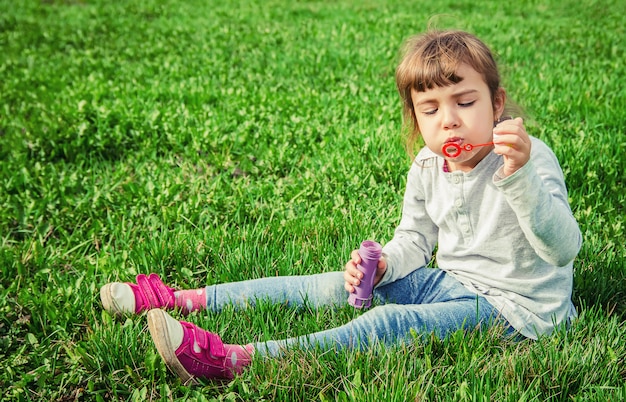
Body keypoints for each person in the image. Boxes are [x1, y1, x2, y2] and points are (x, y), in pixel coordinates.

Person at [99, 29, 582, 383]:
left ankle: (234, 359)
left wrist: (518, 179)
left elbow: (562, 250)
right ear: (415, 117)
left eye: (465, 102)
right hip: (455, 283)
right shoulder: (427, 166)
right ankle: (181, 299)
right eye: (431, 109)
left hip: (518, 310)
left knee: (393, 323)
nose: (449, 121)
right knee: (336, 286)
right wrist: (389, 263)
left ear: (497, 104)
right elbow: (415, 239)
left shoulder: (527, 158)